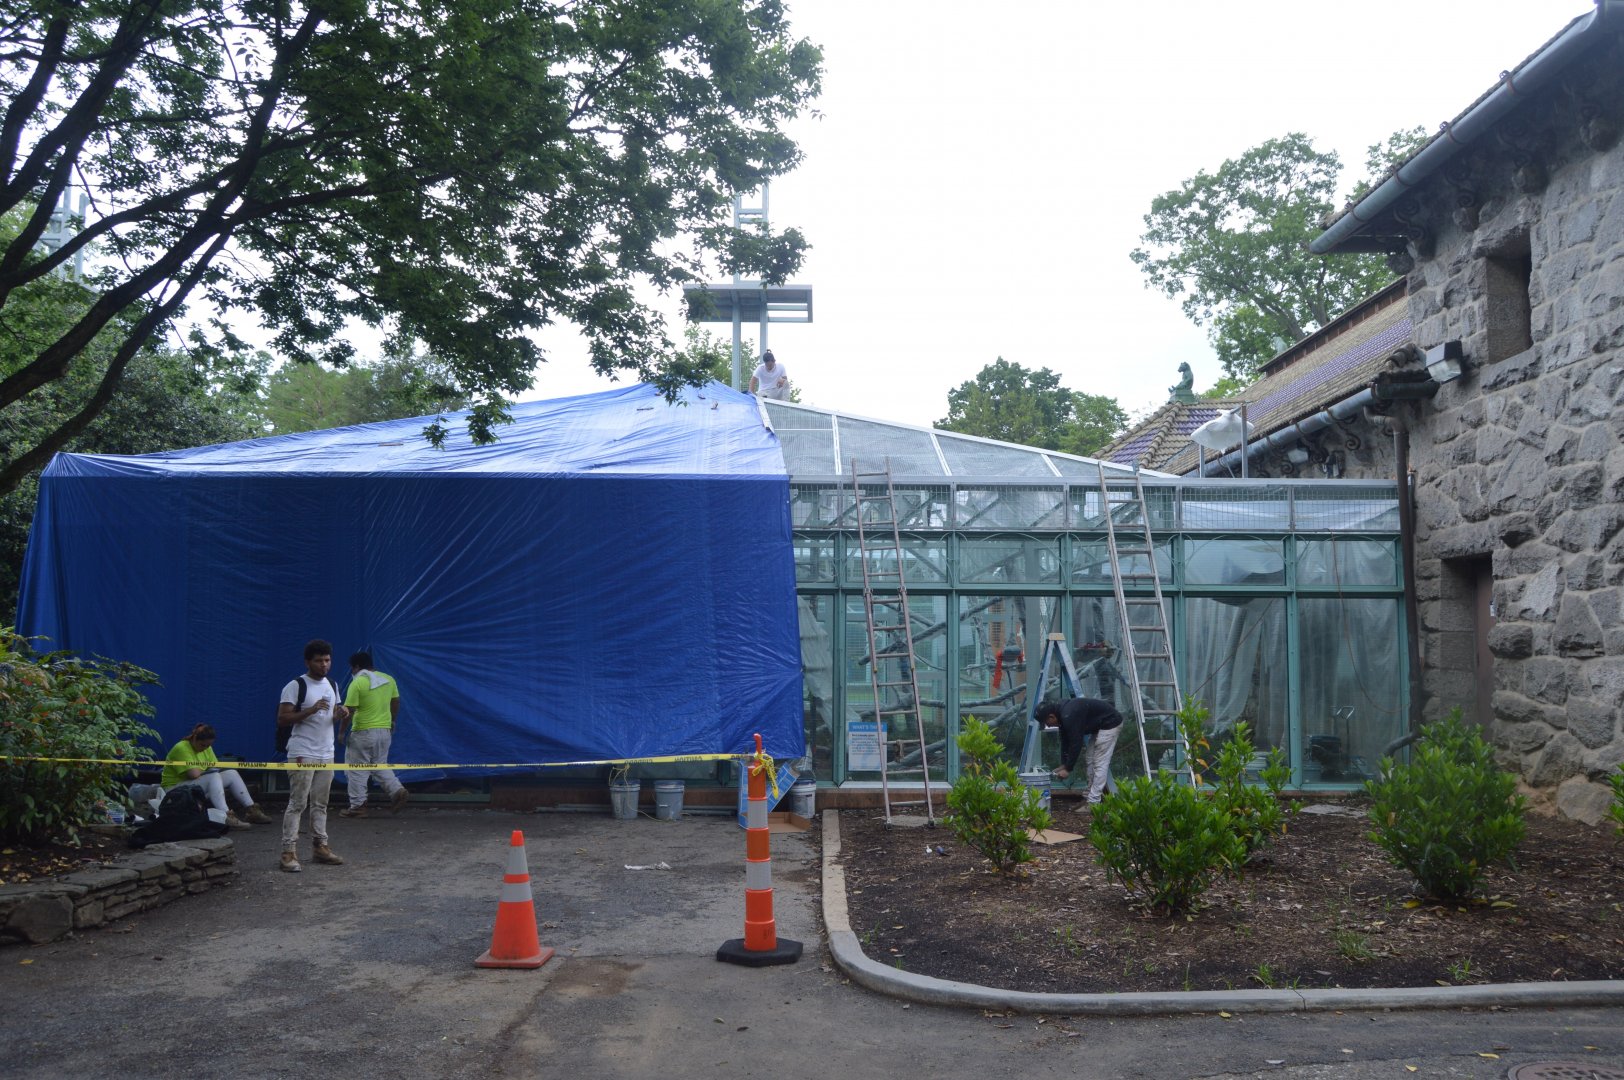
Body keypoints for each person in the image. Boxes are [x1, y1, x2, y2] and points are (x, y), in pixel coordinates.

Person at [276, 638, 346, 872]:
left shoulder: (332, 684)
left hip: (327, 752)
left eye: (327, 660)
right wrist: (311, 710)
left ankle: (320, 847)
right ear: (308, 662)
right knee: (297, 803)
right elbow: (282, 719)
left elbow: (331, 715)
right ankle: (288, 852)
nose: (324, 665)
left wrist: (340, 713)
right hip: (302, 752)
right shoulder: (295, 685)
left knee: (321, 803)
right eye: (319, 661)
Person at [159, 724, 273, 830]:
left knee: (232, 773)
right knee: (213, 776)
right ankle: (225, 816)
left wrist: (206, 769)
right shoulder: (181, 748)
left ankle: (251, 810)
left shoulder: (207, 747)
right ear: (194, 738)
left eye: (208, 745)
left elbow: (214, 766)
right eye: (203, 745)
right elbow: (194, 774)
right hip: (173, 790)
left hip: (191, 786)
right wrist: (207, 769)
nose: (205, 748)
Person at [339, 651, 408, 817]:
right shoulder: (389, 679)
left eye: (352, 669)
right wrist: (392, 721)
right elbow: (396, 701)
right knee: (379, 765)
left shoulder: (358, 682)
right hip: (384, 732)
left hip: (362, 732)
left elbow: (349, 711)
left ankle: (358, 806)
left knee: (356, 769)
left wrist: (341, 732)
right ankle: (397, 791)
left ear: (356, 667)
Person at [1035, 696, 1124, 805]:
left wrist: (1068, 769)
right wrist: (1064, 764)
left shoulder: (1068, 715)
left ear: (1051, 716)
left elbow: (1076, 743)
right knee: (1090, 759)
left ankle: (1093, 802)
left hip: (1110, 723)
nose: (1048, 725)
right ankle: (1089, 796)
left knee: (1100, 763)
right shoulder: (1062, 714)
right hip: (1100, 726)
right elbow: (1065, 740)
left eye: (1046, 723)